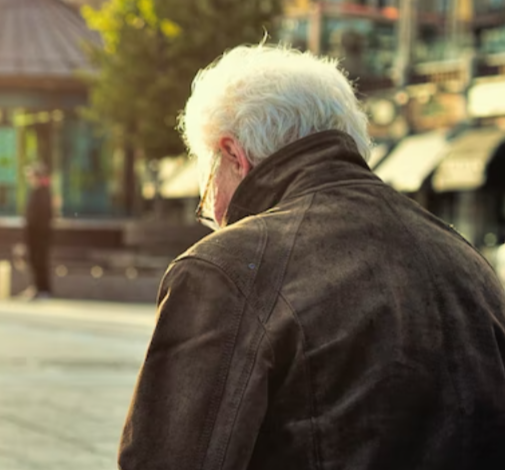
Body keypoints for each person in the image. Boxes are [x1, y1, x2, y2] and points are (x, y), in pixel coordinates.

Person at [118, 43, 505, 469]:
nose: (209, 208)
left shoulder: (226, 269)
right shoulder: (469, 263)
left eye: (206, 176)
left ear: (233, 155)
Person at [21, 163, 53, 300]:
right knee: (34, 261)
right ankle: (37, 287)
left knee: (40, 261)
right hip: (33, 233)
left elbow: (43, 216)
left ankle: (43, 288)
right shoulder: (34, 192)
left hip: (40, 234)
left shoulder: (43, 193)